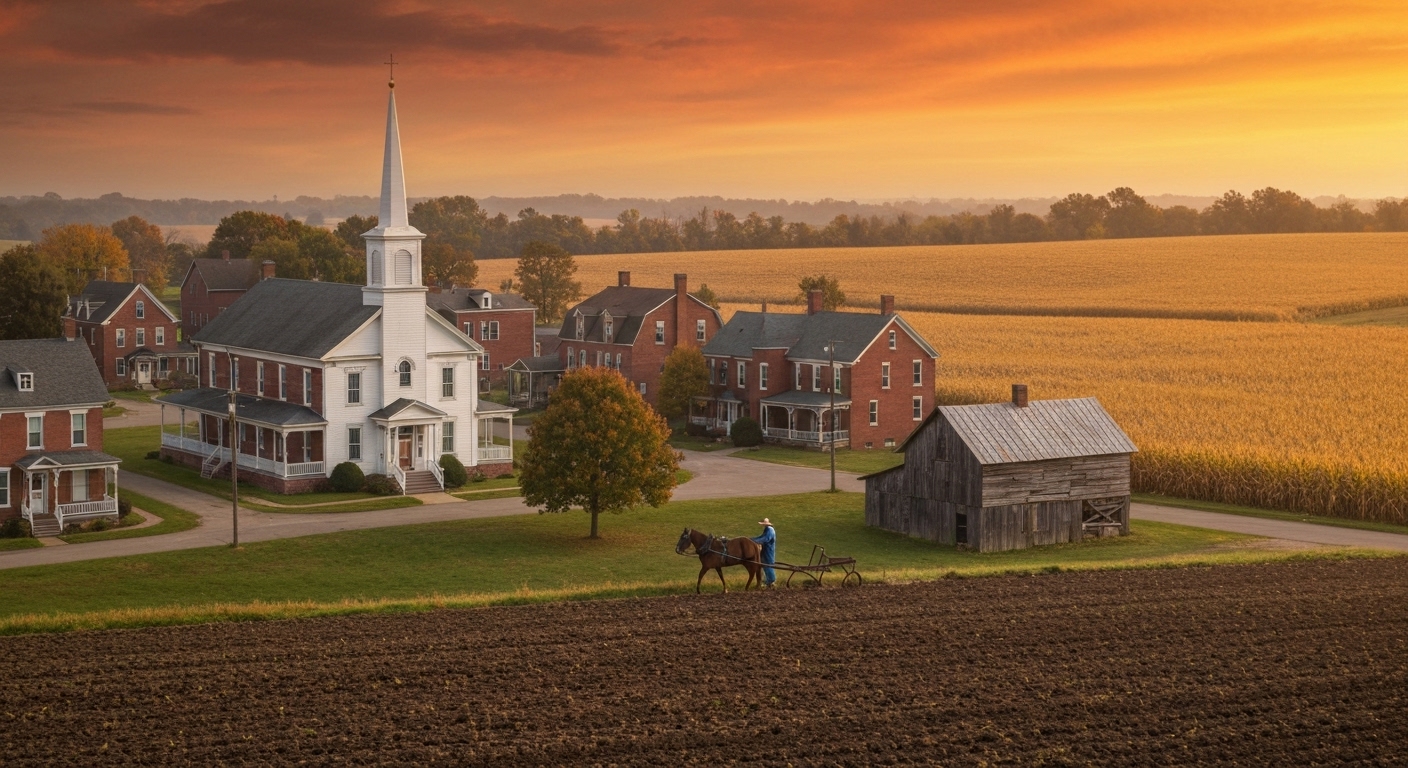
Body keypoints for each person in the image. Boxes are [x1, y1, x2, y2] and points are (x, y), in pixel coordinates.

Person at [751, 518, 776, 588]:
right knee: (764, 564)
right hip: (765, 549)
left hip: (768, 549)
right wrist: (751, 539)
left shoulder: (770, 530)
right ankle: (767, 581)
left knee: (768, 564)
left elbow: (765, 539)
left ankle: (771, 580)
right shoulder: (767, 529)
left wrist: (754, 541)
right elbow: (761, 537)